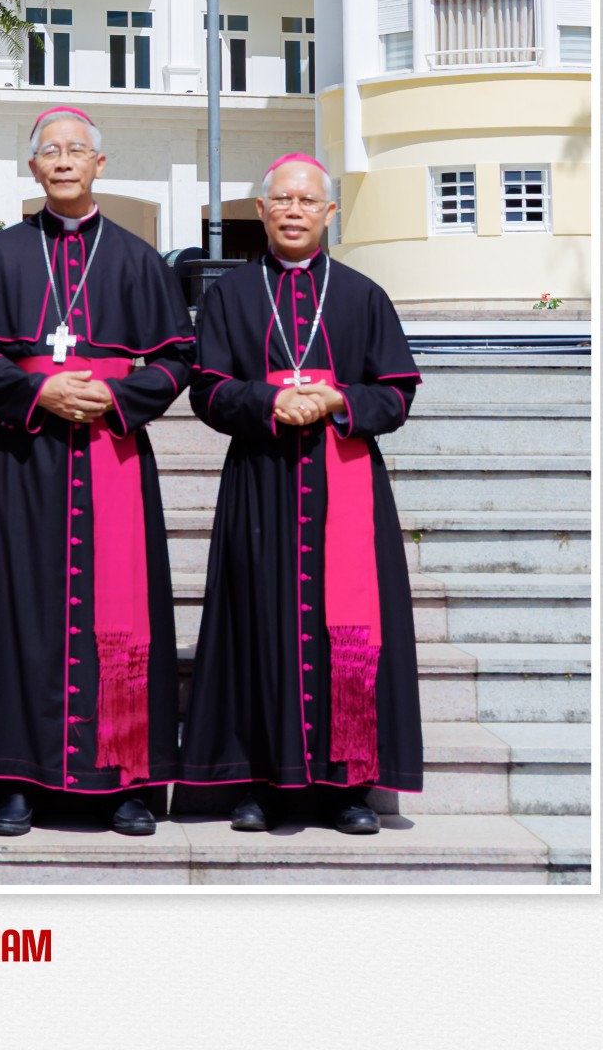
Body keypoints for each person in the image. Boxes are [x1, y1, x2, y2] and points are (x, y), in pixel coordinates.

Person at [0, 106, 193, 838]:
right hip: (26, 457)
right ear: (33, 168)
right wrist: (37, 391)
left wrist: (117, 398)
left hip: (112, 451)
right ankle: (14, 779)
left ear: (98, 165)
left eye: (76, 150)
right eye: (49, 151)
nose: (62, 161)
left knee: (123, 615)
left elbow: (177, 356)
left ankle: (123, 779)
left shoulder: (139, 259)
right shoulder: (0, 256)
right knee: (16, 612)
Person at [180, 153, 424, 835]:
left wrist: (338, 399)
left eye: (308, 201)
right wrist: (268, 402)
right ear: (261, 211)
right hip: (261, 482)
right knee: (256, 622)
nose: (294, 211)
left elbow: (396, 393)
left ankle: (348, 787)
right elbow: (206, 389)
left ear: (329, 213)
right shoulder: (231, 295)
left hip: (345, 480)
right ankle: (258, 782)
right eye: (282, 200)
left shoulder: (363, 295)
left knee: (349, 630)